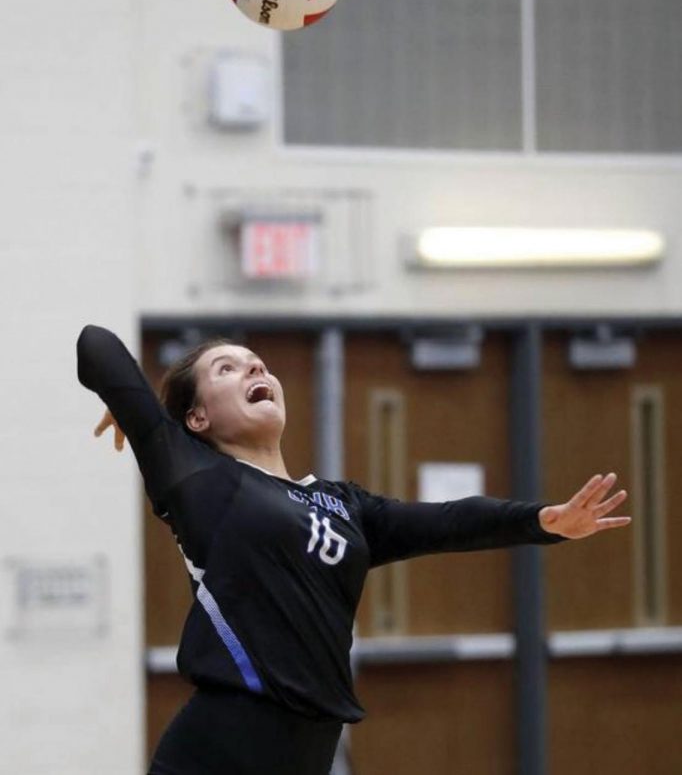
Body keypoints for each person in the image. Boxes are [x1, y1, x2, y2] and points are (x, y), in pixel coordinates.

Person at [77, 324, 630, 775]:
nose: (254, 368)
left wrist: (543, 520)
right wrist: (142, 414)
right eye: (227, 368)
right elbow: (96, 344)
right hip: (224, 744)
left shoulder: (341, 504)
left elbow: (444, 523)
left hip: (311, 748)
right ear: (198, 418)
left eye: (258, 362)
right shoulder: (195, 476)